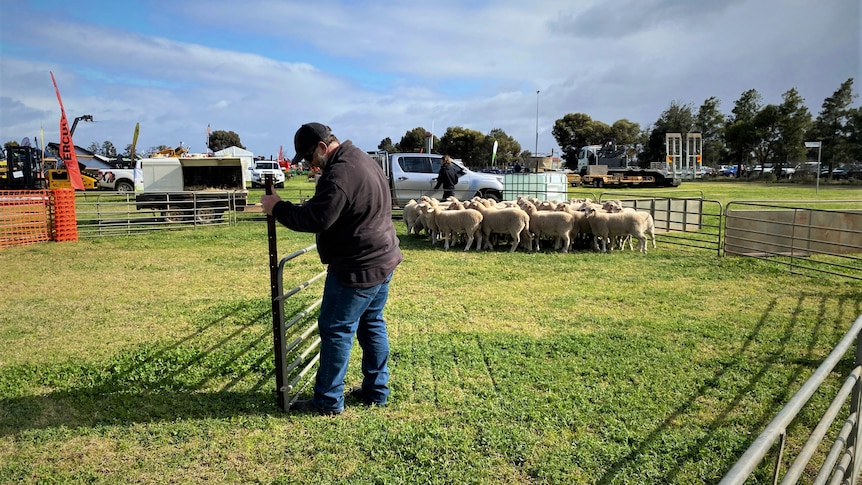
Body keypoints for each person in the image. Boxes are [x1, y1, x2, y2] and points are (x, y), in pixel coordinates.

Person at [261, 122, 402, 415]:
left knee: (336, 328)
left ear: (323, 148)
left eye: (311, 158)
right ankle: (377, 390)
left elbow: (316, 218)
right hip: (383, 257)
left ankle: (327, 401)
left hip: (357, 266)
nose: (312, 166)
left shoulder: (338, 173)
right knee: (371, 322)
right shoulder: (362, 159)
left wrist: (277, 207)